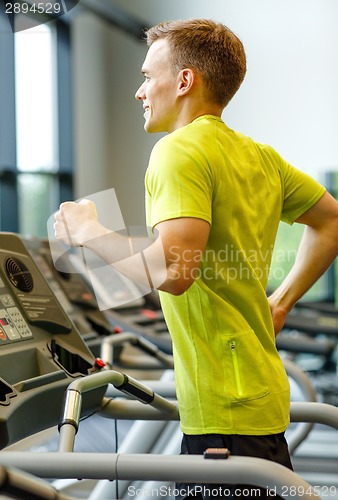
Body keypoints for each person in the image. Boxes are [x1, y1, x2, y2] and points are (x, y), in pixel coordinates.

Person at [54, 19, 338, 499]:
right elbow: (332, 220)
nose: (139, 91)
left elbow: (172, 271)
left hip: (225, 415)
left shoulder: (177, 151)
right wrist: (282, 302)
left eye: (148, 76)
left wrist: (90, 232)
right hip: (254, 398)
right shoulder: (258, 156)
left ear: (184, 81)